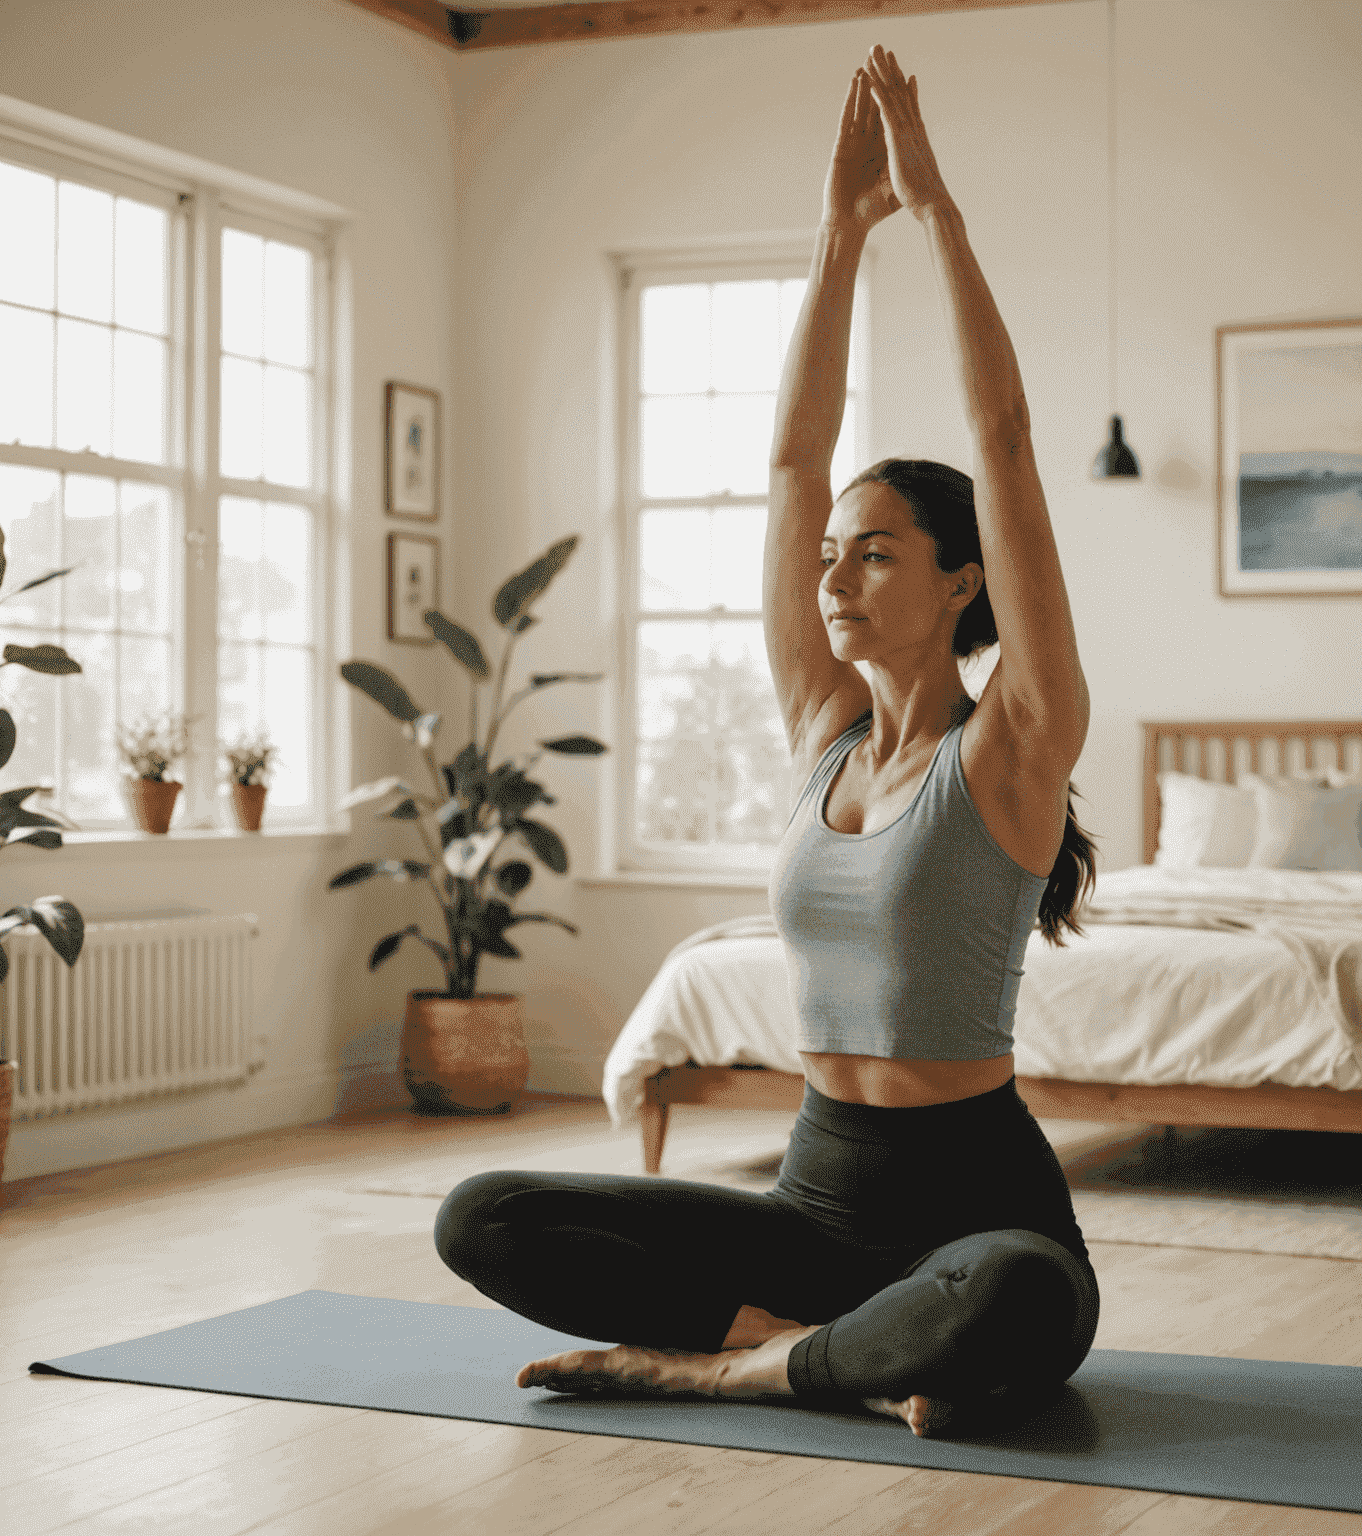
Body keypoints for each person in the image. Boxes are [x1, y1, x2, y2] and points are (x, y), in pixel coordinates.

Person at [432, 44, 1100, 1439]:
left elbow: (1012, 441)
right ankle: (826, 1356)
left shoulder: (1016, 746)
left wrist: (937, 215)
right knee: (482, 1213)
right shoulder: (821, 732)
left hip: (979, 1205)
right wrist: (836, 232)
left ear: (963, 579)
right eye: (830, 561)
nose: (835, 577)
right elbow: (795, 467)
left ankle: (720, 1367)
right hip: (814, 1202)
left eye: (876, 557)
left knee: (1020, 1295)